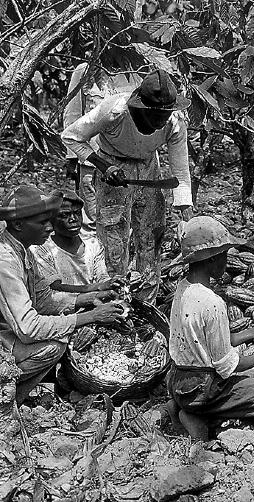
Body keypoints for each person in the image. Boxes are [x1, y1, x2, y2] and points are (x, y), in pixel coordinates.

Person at [61, 70, 194, 304]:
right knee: (113, 239)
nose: (159, 123)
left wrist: (185, 209)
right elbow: (71, 137)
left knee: (151, 236)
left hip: (149, 167)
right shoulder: (114, 112)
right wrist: (103, 166)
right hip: (113, 165)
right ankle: (115, 302)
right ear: (141, 108)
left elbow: (180, 172)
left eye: (163, 117)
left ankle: (146, 301)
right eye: (155, 117)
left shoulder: (175, 123)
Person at [167, 216, 254, 439]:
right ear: (212, 259)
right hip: (206, 390)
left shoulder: (183, 290)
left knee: (253, 375)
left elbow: (204, 344)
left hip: (179, 383)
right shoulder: (212, 303)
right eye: (224, 255)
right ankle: (201, 416)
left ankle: (185, 407)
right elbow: (225, 366)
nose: (227, 261)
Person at [0, 186, 123, 404]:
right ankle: (7, 398)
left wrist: (87, 299)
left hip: (8, 332)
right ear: (18, 225)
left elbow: (45, 298)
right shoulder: (5, 261)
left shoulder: (23, 250)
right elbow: (28, 329)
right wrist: (90, 317)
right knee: (53, 347)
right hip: (7, 336)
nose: (50, 227)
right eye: (42, 223)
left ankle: (13, 400)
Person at [62, 64, 139, 229]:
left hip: (132, 160)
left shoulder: (139, 67)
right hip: (93, 160)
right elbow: (73, 112)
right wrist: (72, 157)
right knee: (96, 220)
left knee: (130, 220)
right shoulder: (85, 69)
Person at [31, 190, 122, 304]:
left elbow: (102, 277)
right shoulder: (42, 249)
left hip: (95, 303)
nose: (73, 219)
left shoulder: (92, 244)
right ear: (51, 219)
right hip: (62, 309)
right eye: (64, 215)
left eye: (77, 213)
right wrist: (95, 288)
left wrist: (114, 284)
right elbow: (54, 288)